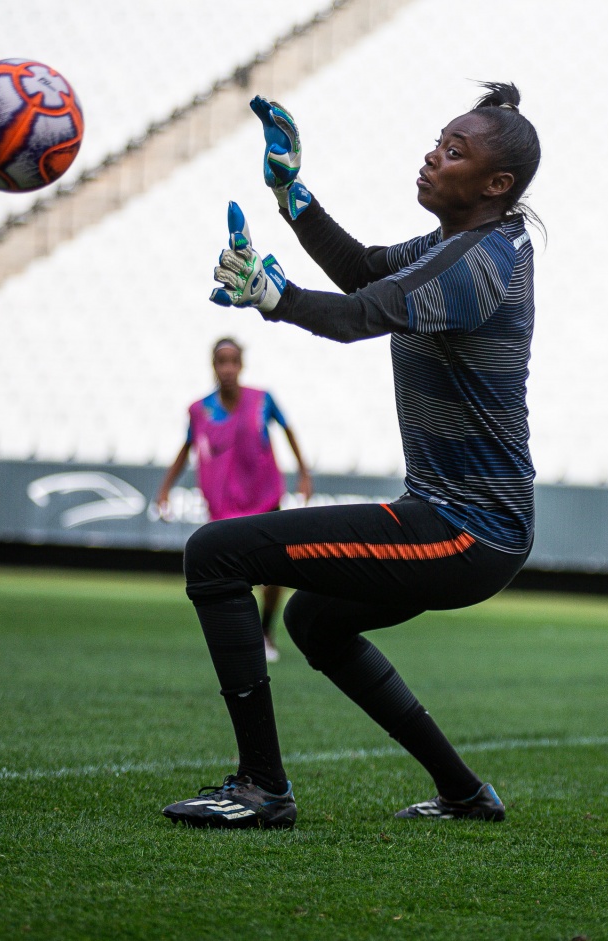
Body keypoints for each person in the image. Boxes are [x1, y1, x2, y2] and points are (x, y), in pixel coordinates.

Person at [162, 81, 541, 829]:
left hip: (465, 529)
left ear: (496, 185)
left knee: (214, 553)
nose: (432, 158)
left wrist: (274, 296)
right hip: (466, 522)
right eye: (438, 142)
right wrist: (290, 192)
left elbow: (357, 315)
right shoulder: (467, 244)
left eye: (453, 151)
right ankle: (465, 794)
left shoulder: (478, 263)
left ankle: (261, 789)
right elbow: (366, 272)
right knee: (315, 622)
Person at [156, 337, 313, 661]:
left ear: (241, 365)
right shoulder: (200, 409)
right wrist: (165, 488)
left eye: (233, 361)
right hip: (224, 504)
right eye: (221, 361)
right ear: (213, 366)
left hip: (264, 497)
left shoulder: (262, 400)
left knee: (276, 574)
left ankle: (266, 632)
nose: (227, 368)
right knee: (231, 577)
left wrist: (303, 473)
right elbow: (187, 448)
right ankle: (243, 638)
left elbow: (288, 429)